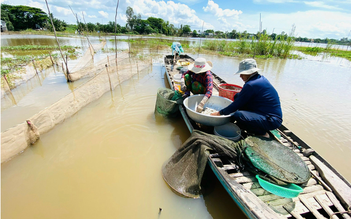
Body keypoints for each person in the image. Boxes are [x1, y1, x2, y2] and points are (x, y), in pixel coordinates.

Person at [211, 58, 282, 137]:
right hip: (264, 112)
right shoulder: (259, 79)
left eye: (242, 73)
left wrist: (219, 113)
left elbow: (236, 105)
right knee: (238, 96)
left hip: (272, 120)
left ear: (249, 73)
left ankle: (261, 132)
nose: (240, 76)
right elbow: (240, 99)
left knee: (238, 115)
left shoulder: (251, 85)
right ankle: (255, 122)